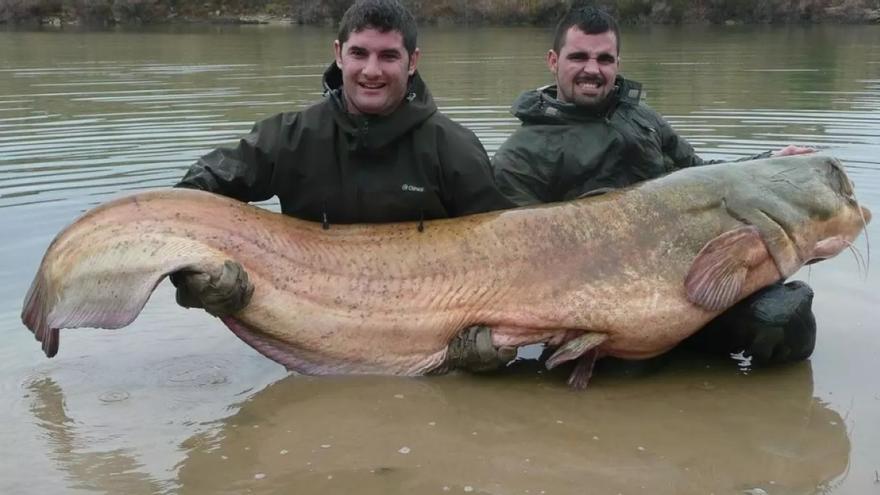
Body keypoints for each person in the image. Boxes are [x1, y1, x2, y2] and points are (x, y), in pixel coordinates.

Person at [172, 0, 516, 372]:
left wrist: (490, 343)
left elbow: (506, 257)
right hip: (308, 343)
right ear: (339, 54)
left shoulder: (455, 149)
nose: (371, 70)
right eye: (359, 53)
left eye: (388, 56)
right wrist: (197, 278)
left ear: (412, 61)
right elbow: (189, 199)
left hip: (427, 349)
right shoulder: (290, 137)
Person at [492, 6, 817, 365]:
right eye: (579, 57)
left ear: (617, 63)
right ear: (554, 60)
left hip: (689, 281)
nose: (592, 70)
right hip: (598, 306)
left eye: (604, 58)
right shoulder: (519, 156)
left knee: (786, 319)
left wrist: (768, 161)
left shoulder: (642, 119)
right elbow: (514, 258)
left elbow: (703, 176)